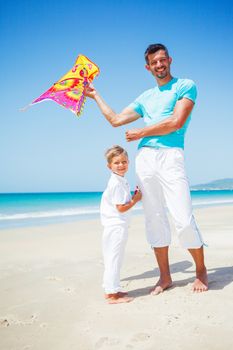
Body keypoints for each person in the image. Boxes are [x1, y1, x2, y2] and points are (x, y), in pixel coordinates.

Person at [85, 43, 208, 294]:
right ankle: (165, 277)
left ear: (170, 60)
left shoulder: (186, 85)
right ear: (148, 67)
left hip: (171, 156)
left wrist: (142, 131)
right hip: (145, 159)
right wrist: (95, 95)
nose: (159, 65)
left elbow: (176, 122)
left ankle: (201, 270)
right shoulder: (146, 97)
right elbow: (116, 120)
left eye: (163, 60)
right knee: (154, 218)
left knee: (183, 218)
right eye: (154, 63)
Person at [100, 145, 142, 304]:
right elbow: (121, 207)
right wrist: (135, 200)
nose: (121, 165)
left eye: (124, 161)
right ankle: (112, 294)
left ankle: (112, 288)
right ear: (109, 166)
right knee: (114, 259)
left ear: (129, 162)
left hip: (114, 226)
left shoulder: (120, 180)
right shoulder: (116, 183)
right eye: (116, 162)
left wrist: (132, 197)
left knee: (112, 257)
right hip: (116, 226)